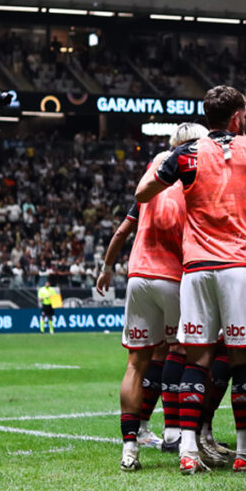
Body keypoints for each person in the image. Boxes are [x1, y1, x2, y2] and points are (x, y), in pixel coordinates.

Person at [136, 86, 246, 474]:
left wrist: (175, 184)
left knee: (198, 357)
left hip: (197, 268)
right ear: (238, 117)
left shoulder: (185, 154)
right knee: (242, 360)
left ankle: (187, 447)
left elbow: (142, 192)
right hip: (240, 266)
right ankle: (243, 454)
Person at [98, 123, 206, 471]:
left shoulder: (152, 175)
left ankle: (130, 447)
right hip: (174, 276)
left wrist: (107, 267)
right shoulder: (193, 176)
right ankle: (175, 432)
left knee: (136, 362)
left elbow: (122, 229)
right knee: (182, 352)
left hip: (138, 275)